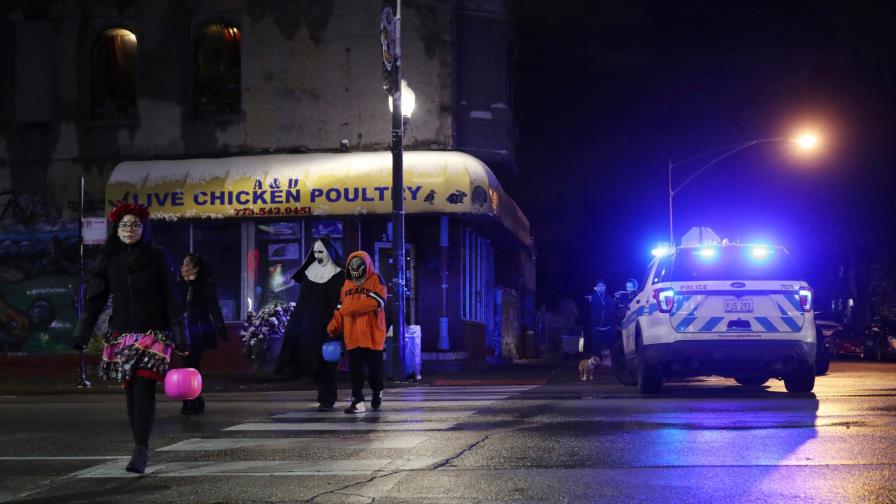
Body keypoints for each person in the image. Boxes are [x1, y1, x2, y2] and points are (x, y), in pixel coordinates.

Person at [72, 202, 188, 474]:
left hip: (153, 332)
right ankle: (139, 445)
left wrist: (182, 336)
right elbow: (95, 300)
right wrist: (82, 333)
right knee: (130, 388)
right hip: (122, 333)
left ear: (143, 228)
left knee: (143, 387)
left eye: (135, 225)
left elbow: (172, 297)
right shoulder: (109, 259)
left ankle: (140, 449)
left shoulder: (158, 256)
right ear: (117, 228)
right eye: (124, 225)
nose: (129, 229)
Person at [274, 239, 344, 412]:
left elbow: (343, 299)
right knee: (310, 361)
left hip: (331, 325)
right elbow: (303, 301)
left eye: (322, 252)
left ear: (330, 253)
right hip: (310, 325)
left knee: (328, 362)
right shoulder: (309, 273)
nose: (319, 255)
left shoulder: (340, 274)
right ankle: (323, 393)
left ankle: (327, 398)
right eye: (317, 252)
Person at [327, 251, 387, 414]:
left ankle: (377, 392)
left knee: (375, 371)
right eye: (352, 266)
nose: (355, 270)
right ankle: (358, 400)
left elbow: (377, 302)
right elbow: (340, 308)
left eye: (358, 266)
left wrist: (349, 308)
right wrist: (333, 326)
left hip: (373, 335)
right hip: (353, 335)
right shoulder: (347, 284)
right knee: (355, 372)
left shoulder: (376, 280)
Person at [179, 253, 228, 415]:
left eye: (187, 264)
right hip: (182, 332)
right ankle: (195, 399)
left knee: (191, 366)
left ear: (196, 268)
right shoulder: (179, 285)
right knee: (189, 366)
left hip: (198, 331)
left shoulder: (205, 285)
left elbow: (214, 308)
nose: (183, 268)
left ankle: (191, 400)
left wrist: (220, 328)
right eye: (183, 264)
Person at [585, 279, 614, 364]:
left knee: (611, 347)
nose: (601, 288)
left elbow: (612, 310)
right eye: (599, 286)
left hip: (608, 328)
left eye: (602, 286)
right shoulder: (592, 297)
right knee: (596, 349)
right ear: (595, 287)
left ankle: (609, 364)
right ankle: (597, 366)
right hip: (597, 329)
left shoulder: (609, 298)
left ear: (605, 287)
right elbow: (586, 301)